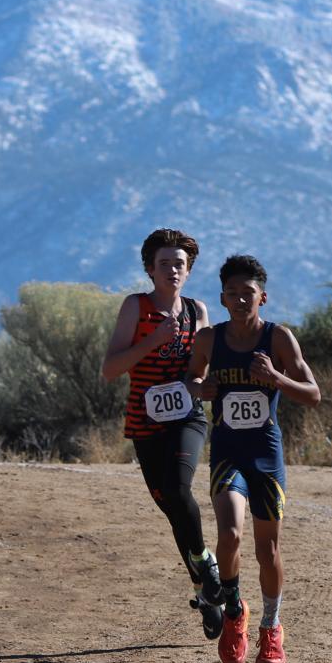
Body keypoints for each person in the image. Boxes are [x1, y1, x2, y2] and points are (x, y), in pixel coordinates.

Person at [187, 255, 320, 663]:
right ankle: (233, 613)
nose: (241, 300)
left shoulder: (278, 339)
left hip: (266, 454)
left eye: (249, 293)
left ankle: (272, 628)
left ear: (262, 297)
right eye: (233, 294)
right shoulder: (210, 339)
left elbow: (313, 392)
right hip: (228, 453)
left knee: (268, 550)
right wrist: (201, 389)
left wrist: (275, 378)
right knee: (229, 536)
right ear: (223, 298)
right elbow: (190, 380)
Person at [100, 228, 224, 637]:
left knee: (178, 490)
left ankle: (208, 566)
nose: (173, 270)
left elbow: (200, 372)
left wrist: (200, 384)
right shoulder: (135, 308)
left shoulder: (197, 311)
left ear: (189, 271)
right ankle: (204, 590)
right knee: (173, 509)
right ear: (150, 270)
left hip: (187, 417)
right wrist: (153, 340)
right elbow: (111, 369)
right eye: (165, 264)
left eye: (180, 264)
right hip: (145, 423)